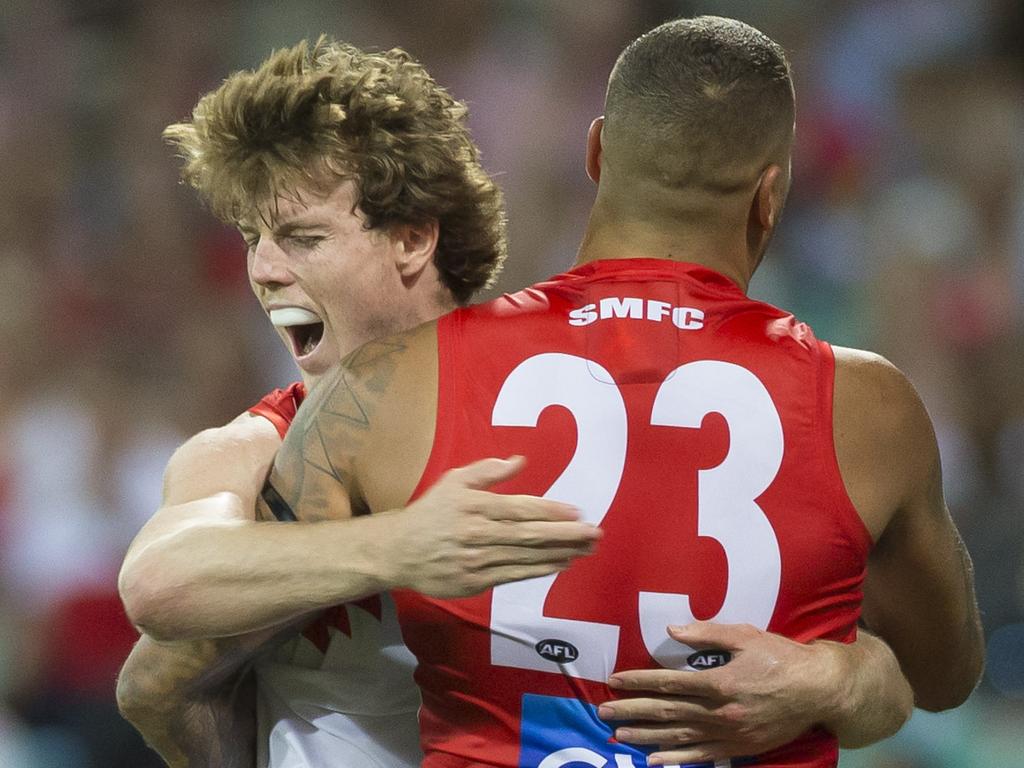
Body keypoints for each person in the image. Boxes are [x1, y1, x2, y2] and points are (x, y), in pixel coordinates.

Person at [116, 35, 916, 768]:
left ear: (412, 238)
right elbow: (157, 623)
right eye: (251, 239)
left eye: (302, 237)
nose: (264, 270)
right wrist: (396, 545)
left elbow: (883, 664)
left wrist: (840, 674)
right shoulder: (261, 446)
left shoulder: (540, 396)